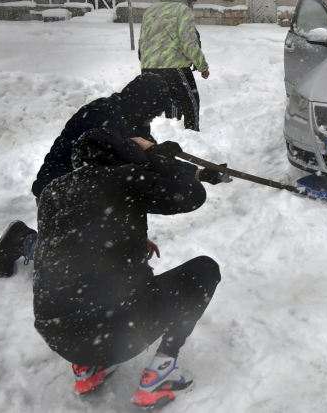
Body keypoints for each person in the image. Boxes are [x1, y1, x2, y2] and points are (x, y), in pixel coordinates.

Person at [33, 128, 224, 407]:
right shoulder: (123, 178)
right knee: (205, 270)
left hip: (59, 336)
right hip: (117, 333)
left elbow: (71, 239)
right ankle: (160, 377)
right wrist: (157, 157)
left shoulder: (53, 192)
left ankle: (88, 368)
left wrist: (128, 237)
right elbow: (192, 194)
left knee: (83, 292)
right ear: (120, 155)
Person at [0, 73, 172, 278]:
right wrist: (129, 235)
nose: (156, 117)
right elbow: (115, 184)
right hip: (58, 194)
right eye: (154, 112)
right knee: (77, 262)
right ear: (143, 105)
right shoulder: (102, 118)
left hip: (88, 193)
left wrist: (135, 235)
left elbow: (139, 176)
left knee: (107, 253)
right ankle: (21, 241)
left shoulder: (136, 121)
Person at [139, 0, 210, 132]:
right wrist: (202, 65)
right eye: (192, 2)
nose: (192, 6)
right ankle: (192, 135)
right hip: (174, 67)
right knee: (191, 103)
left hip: (149, 68)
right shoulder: (182, 10)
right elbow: (189, 42)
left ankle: (170, 134)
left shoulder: (150, 11)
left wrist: (149, 64)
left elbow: (143, 42)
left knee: (168, 103)